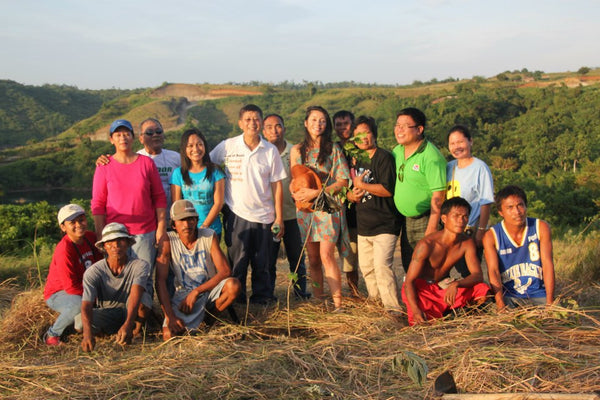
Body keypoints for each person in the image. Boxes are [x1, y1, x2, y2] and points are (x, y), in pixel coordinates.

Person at [209, 104, 286, 305]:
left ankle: (262, 299)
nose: (252, 123)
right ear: (240, 123)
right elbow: (208, 163)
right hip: (236, 213)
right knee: (238, 262)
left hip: (265, 215)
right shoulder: (228, 146)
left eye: (256, 119)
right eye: (248, 119)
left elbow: (277, 185)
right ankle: (238, 300)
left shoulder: (270, 150)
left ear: (261, 122)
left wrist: (279, 217)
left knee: (263, 262)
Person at [91, 119, 167, 301]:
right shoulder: (104, 167)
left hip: (145, 232)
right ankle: (122, 315)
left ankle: (143, 317)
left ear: (133, 138)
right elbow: (98, 204)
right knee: (118, 276)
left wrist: (161, 228)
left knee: (144, 278)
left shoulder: (146, 164)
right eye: (118, 135)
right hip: (115, 235)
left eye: (126, 134)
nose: (123, 138)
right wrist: (100, 234)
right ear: (111, 139)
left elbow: (159, 197)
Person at [290, 106, 350, 310]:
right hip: (305, 208)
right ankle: (319, 300)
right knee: (313, 258)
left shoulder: (333, 149)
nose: (318, 124)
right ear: (306, 123)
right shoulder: (297, 150)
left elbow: (343, 181)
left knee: (326, 255)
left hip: (327, 205)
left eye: (322, 120)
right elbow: (296, 179)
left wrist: (318, 193)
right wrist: (297, 192)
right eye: (314, 120)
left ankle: (338, 303)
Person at [155, 200, 241, 340]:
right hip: (183, 294)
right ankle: (196, 321)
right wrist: (169, 316)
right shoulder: (168, 240)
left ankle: (209, 319)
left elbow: (225, 271)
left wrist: (197, 291)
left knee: (233, 285)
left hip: (208, 289)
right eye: (181, 220)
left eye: (191, 219)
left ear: (196, 220)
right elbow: (160, 281)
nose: (187, 224)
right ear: (173, 225)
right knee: (169, 335)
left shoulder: (208, 235)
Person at [401, 197, 491, 326]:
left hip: (444, 287)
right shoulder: (426, 244)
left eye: (465, 216)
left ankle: (461, 313)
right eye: (456, 216)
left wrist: (457, 284)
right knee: (422, 323)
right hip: (423, 291)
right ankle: (446, 313)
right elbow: (409, 282)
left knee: (482, 290)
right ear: (444, 219)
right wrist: (415, 310)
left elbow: (478, 275)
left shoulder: (466, 243)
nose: (461, 220)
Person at [347, 116, 403, 313]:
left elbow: (388, 189)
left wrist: (363, 185)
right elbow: (350, 189)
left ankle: (393, 309)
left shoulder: (384, 157)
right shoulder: (357, 159)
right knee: (367, 269)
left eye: (367, 132)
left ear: (374, 134)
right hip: (364, 225)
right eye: (358, 135)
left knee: (382, 268)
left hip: (385, 224)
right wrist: (353, 193)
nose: (364, 138)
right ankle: (376, 304)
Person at [80, 223, 152, 352]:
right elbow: (86, 304)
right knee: (80, 322)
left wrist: (129, 324)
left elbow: (136, 294)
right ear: (104, 246)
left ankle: (136, 330)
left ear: (128, 243)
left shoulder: (139, 265)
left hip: (131, 309)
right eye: (110, 242)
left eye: (120, 241)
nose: (116, 246)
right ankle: (109, 331)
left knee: (142, 302)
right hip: (108, 311)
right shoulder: (93, 271)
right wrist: (87, 333)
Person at [483, 185, 555, 310]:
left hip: (538, 294)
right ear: (501, 212)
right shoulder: (491, 236)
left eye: (520, 205)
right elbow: (493, 272)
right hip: (510, 297)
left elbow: (547, 265)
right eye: (510, 207)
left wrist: (550, 302)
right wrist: (501, 306)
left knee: (559, 320)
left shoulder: (540, 227)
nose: (517, 212)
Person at [392, 107, 446, 272]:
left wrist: (432, 226)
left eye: (405, 125)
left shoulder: (431, 156)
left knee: (428, 265)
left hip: (425, 217)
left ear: (419, 129)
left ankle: (431, 298)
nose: (399, 129)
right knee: (410, 265)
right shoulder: (397, 151)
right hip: (405, 219)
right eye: (397, 125)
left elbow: (439, 194)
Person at [262, 114, 310, 298]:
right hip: (268, 215)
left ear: (284, 128)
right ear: (263, 131)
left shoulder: (295, 152)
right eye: (269, 127)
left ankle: (300, 292)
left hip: (293, 214)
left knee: (297, 257)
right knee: (269, 259)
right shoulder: (262, 152)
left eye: (278, 126)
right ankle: (268, 294)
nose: (274, 130)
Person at [43, 204, 103, 346]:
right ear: (63, 227)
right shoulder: (64, 249)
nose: (79, 225)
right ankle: (52, 335)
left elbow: (101, 265)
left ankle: (72, 327)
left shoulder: (90, 237)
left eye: (81, 220)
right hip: (59, 294)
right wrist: (93, 296)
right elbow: (70, 287)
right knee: (77, 304)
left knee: (82, 319)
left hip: (83, 290)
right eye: (72, 223)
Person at [97, 118, 180, 210]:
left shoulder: (176, 158)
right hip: (147, 216)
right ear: (140, 138)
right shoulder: (137, 161)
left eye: (158, 131)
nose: (155, 135)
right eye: (149, 132)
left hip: (174, 217)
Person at [446, 124, 494, 277]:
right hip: (449, 231)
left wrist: (481, 231)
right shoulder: (449, 167)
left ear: (470, 142)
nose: (456, 147)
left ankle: (480, 299)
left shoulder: (480, 168)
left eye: (460, 142)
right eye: (452, 143)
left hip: (469, 230)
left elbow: (486, 202)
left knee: (469, 272)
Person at [170, 128, 226, 236]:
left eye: (199, 144)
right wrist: (186, 227)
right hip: (187, 230)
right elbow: (176, 205)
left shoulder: (216, 172)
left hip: (211, 229)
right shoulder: (178, 174)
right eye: (190, 146)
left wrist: (204, 227)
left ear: (205, 146)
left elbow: (218, 203)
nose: (195, 149)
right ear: (184, 149)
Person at [333, 110, 360, 297]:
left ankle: (356, 291)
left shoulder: (362, 147)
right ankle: (349, 292)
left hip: (360, 210)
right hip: (339, 208)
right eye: (339, 124)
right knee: (346, 256)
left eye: (346, 123)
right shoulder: (332, 149)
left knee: (357, 255)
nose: (343, 128)